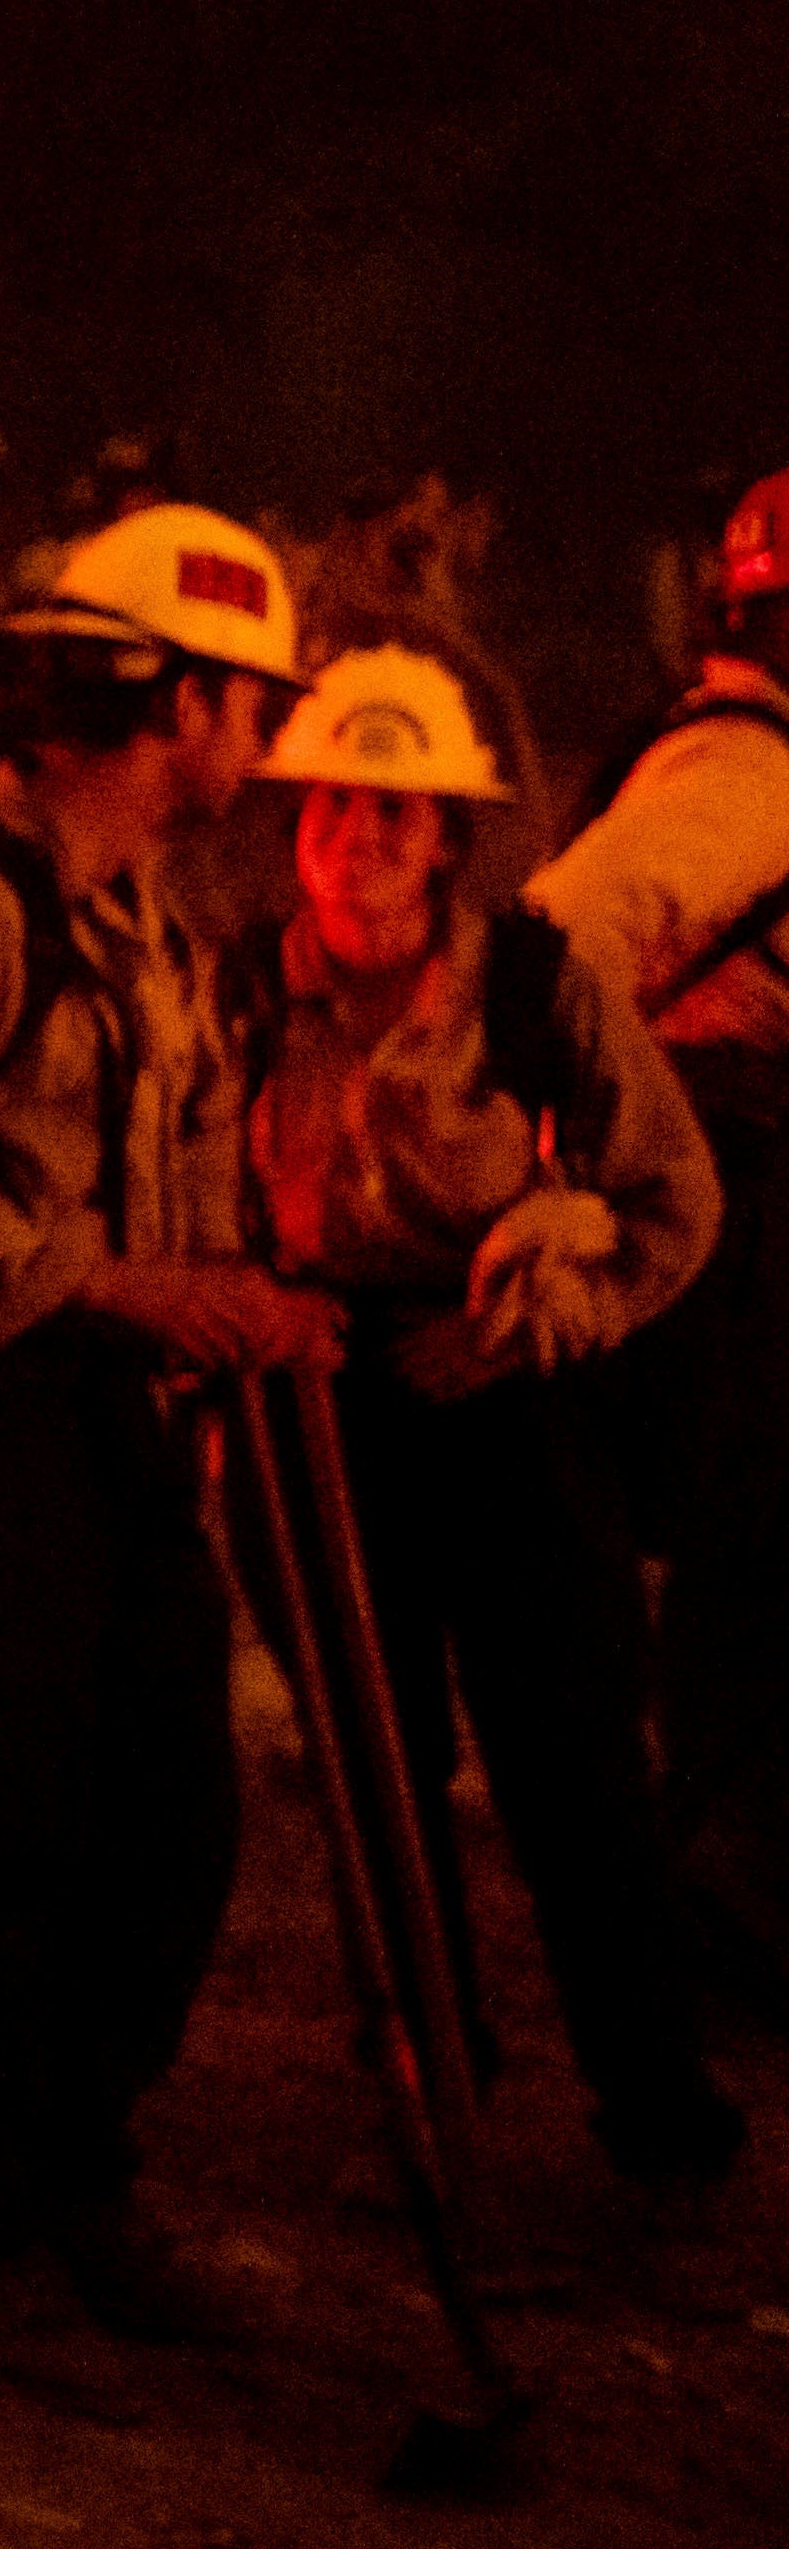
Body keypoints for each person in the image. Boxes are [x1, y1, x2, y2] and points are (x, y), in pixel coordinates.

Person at [0, 502, 328, 2419]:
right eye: (243, 696)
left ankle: (82, 2171)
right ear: (174, 695)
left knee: (167, 1811)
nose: (257, 731)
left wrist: (234, 1299)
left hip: (103, 1403)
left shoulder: (137, 915)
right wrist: (117, 1283)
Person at [237, 643, 745, 2189]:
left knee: (576, 1767)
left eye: (400, 813)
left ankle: (661, 2122)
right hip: (318, 1411)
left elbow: (673, 1197)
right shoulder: (239, 992)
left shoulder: (532, 986)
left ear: (450, 837)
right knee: (374, 1760)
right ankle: (432, 2087)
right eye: (336, 805)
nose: (363, 839)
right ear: (299, 824)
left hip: (515, 1410)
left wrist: (539, 1323)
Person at [533, 460, 789, 1992]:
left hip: (745, 1180)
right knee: (760, 1554)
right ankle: (728, 1900)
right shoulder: (741, 777)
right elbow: (557, 947)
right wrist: (627, 1149)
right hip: (742, 1196)